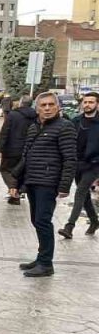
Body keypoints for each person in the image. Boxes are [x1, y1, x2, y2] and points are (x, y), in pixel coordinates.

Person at [13, 93, 77, 278]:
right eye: (43, 105)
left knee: (43, 221)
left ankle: (46, 264)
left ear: (57, 107)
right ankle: (41, 258)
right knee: (36, 220)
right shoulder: (34, 127)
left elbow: (70, 158)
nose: (47, 108)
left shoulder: (65, 127)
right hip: (33, 180)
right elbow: (26, 156)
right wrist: (18, 183)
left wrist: (64, 186)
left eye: (51, 105)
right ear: (37, 108)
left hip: (48, 182)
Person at [63, 91, 99, 239]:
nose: (87, 105)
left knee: (80, 192)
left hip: (94, 165)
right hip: (77, 163)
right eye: (85, 102)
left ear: (97, 104)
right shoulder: (76, 121)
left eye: (91, 102)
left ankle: (69, 226)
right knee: (84, 196)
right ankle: (95, 221)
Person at [0, 95, 36, 204]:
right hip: (28, 149)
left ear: (20, 103)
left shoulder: (13, 115)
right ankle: (17, 193)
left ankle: (13, 189)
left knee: (5, 170)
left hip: (11, 149)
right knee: (21, 171)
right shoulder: (36, 115)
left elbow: (5, 132)